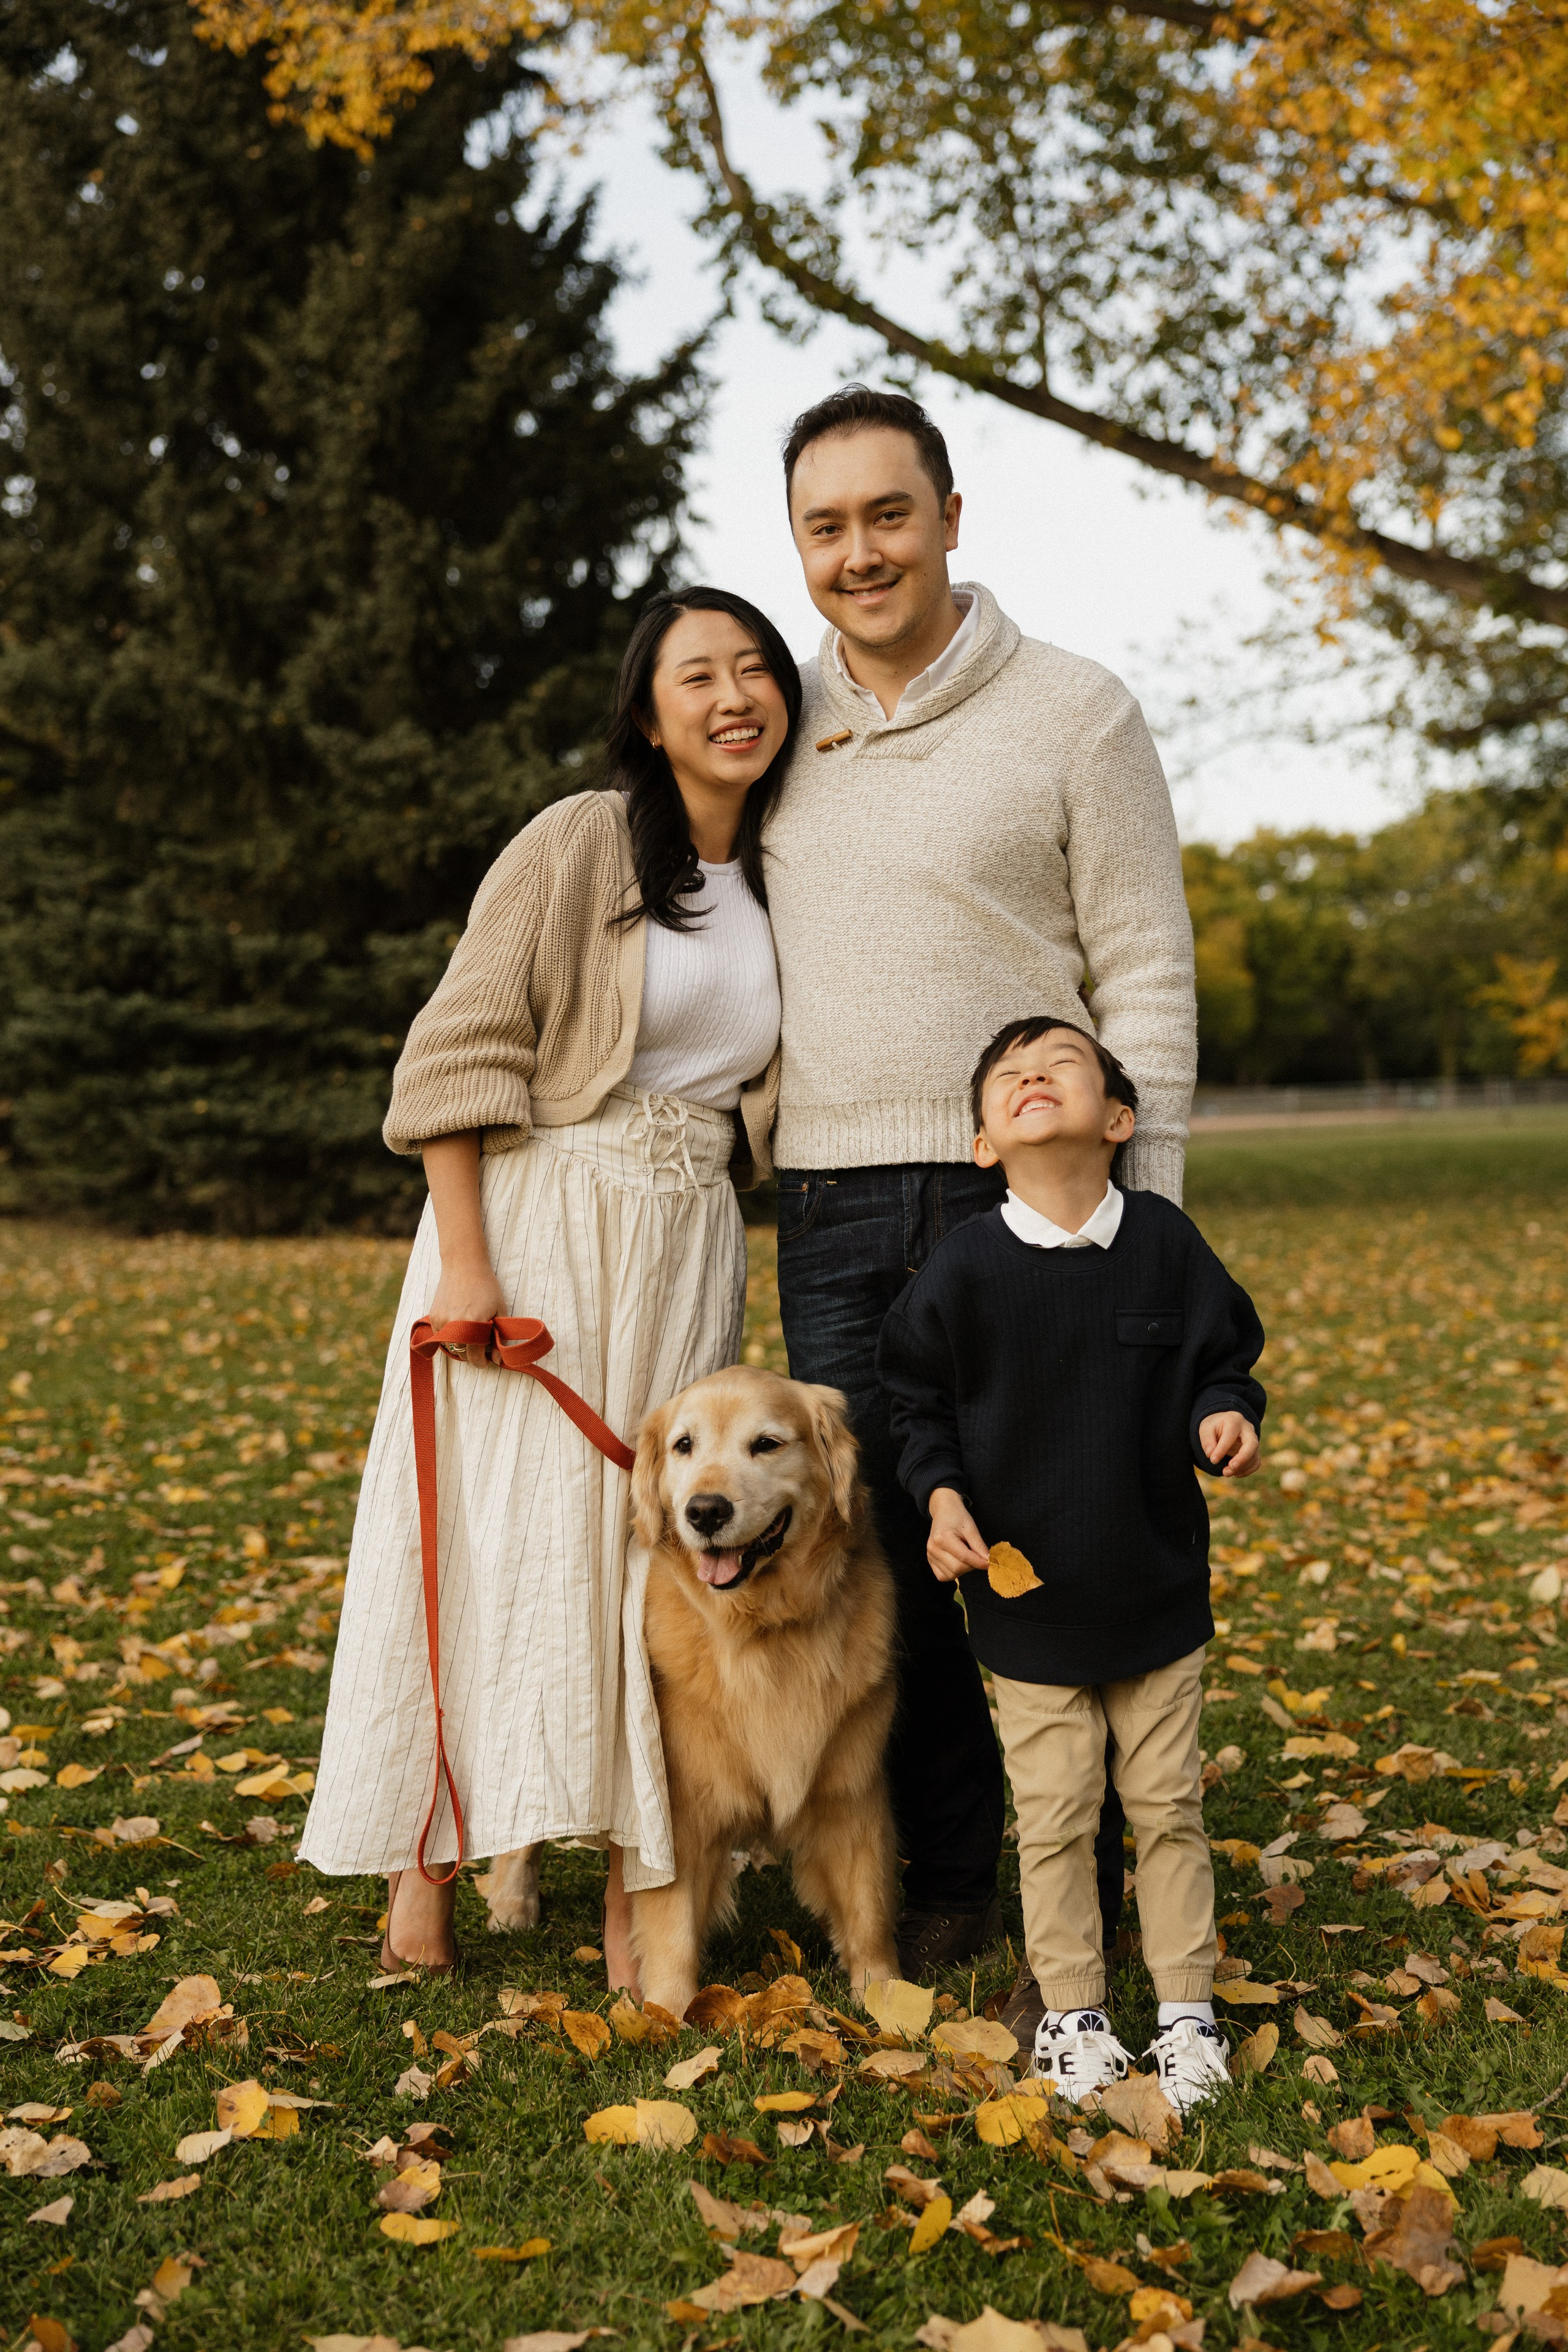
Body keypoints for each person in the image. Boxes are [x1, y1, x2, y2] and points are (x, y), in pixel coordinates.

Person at [764, 383, 1198, 2006]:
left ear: (952, 516)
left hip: (1025, 1199)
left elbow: (1145, 975)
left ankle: (1083, 1898)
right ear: (797, 546)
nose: (861, 552)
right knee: (891, 1546)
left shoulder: (1078, 712)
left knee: (1057, 1544)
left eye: (889, 514)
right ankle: (953, 1878)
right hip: (833, 1211)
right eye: (826, 526)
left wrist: (1131, 1219)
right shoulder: (777, 726)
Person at [299, 588, 797, 1991]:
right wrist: (465, 1263)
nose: (732, 696)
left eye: (754, 668)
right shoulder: (582, 837)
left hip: (689, 1234)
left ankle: (638, 1891)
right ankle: (425, 1880)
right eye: (696, 675)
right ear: (649, 713)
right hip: (539, 1227)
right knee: (498, 1544)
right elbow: (458, 1048)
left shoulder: (778, 873)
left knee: (655, 1564)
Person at [876, 1016, 1265, 2111]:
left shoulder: (1163, 1243)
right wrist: (941, 1497)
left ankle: (1187, 2010)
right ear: (984, 1145)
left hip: (1153, 1593)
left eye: (1061, 1065)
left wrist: (1224, 1416)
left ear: (1119, 1120)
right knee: (1051, 1818)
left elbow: (1225, 1358)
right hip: (1028, 1605)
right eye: (1006, 1076)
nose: (1030, 1076)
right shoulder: (959, 1272)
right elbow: (917, 1408)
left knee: (1167, 1810)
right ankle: (1076, 2012)